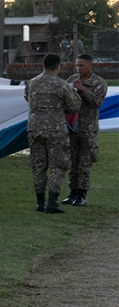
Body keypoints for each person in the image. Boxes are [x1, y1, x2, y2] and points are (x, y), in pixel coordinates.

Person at [25, 53, 81, 214]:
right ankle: (52, 202)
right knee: (58, 165)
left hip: (35, 127)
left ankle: (40, 202)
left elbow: (28, 99)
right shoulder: (61, 85)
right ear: (58, 67)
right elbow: (73, 106)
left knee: (38, 165)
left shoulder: (31, 83)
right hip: (55, 128)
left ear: (43, 65)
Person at [62, 54, 108, 206]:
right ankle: (72, 192)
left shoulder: (99, 83)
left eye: (82, 65)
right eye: (77, 65)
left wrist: (83, 90)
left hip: (88, 129)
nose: (79, 68)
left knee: (85, 162)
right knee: (72, 162)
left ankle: (82, 194)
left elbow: (98, 102)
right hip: (72, 127)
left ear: (90, 65)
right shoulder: (72, 79)